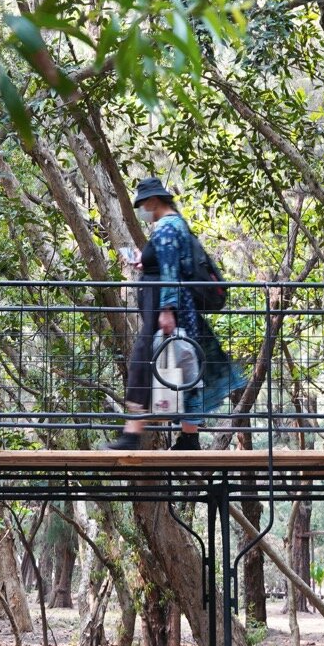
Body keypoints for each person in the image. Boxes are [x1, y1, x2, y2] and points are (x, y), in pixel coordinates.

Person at [103, 177, 241, 451]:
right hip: (177, 305)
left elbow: (169, 272)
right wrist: (145, 262)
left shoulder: (166, 226)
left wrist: (166, 310)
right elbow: (168, 264)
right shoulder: (176, 224)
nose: (143, 209)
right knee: (188, 365)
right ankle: (189, 437)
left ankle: (132, 433)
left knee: (144, 361)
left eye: (143, 204)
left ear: (153, 201)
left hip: (165, 306)